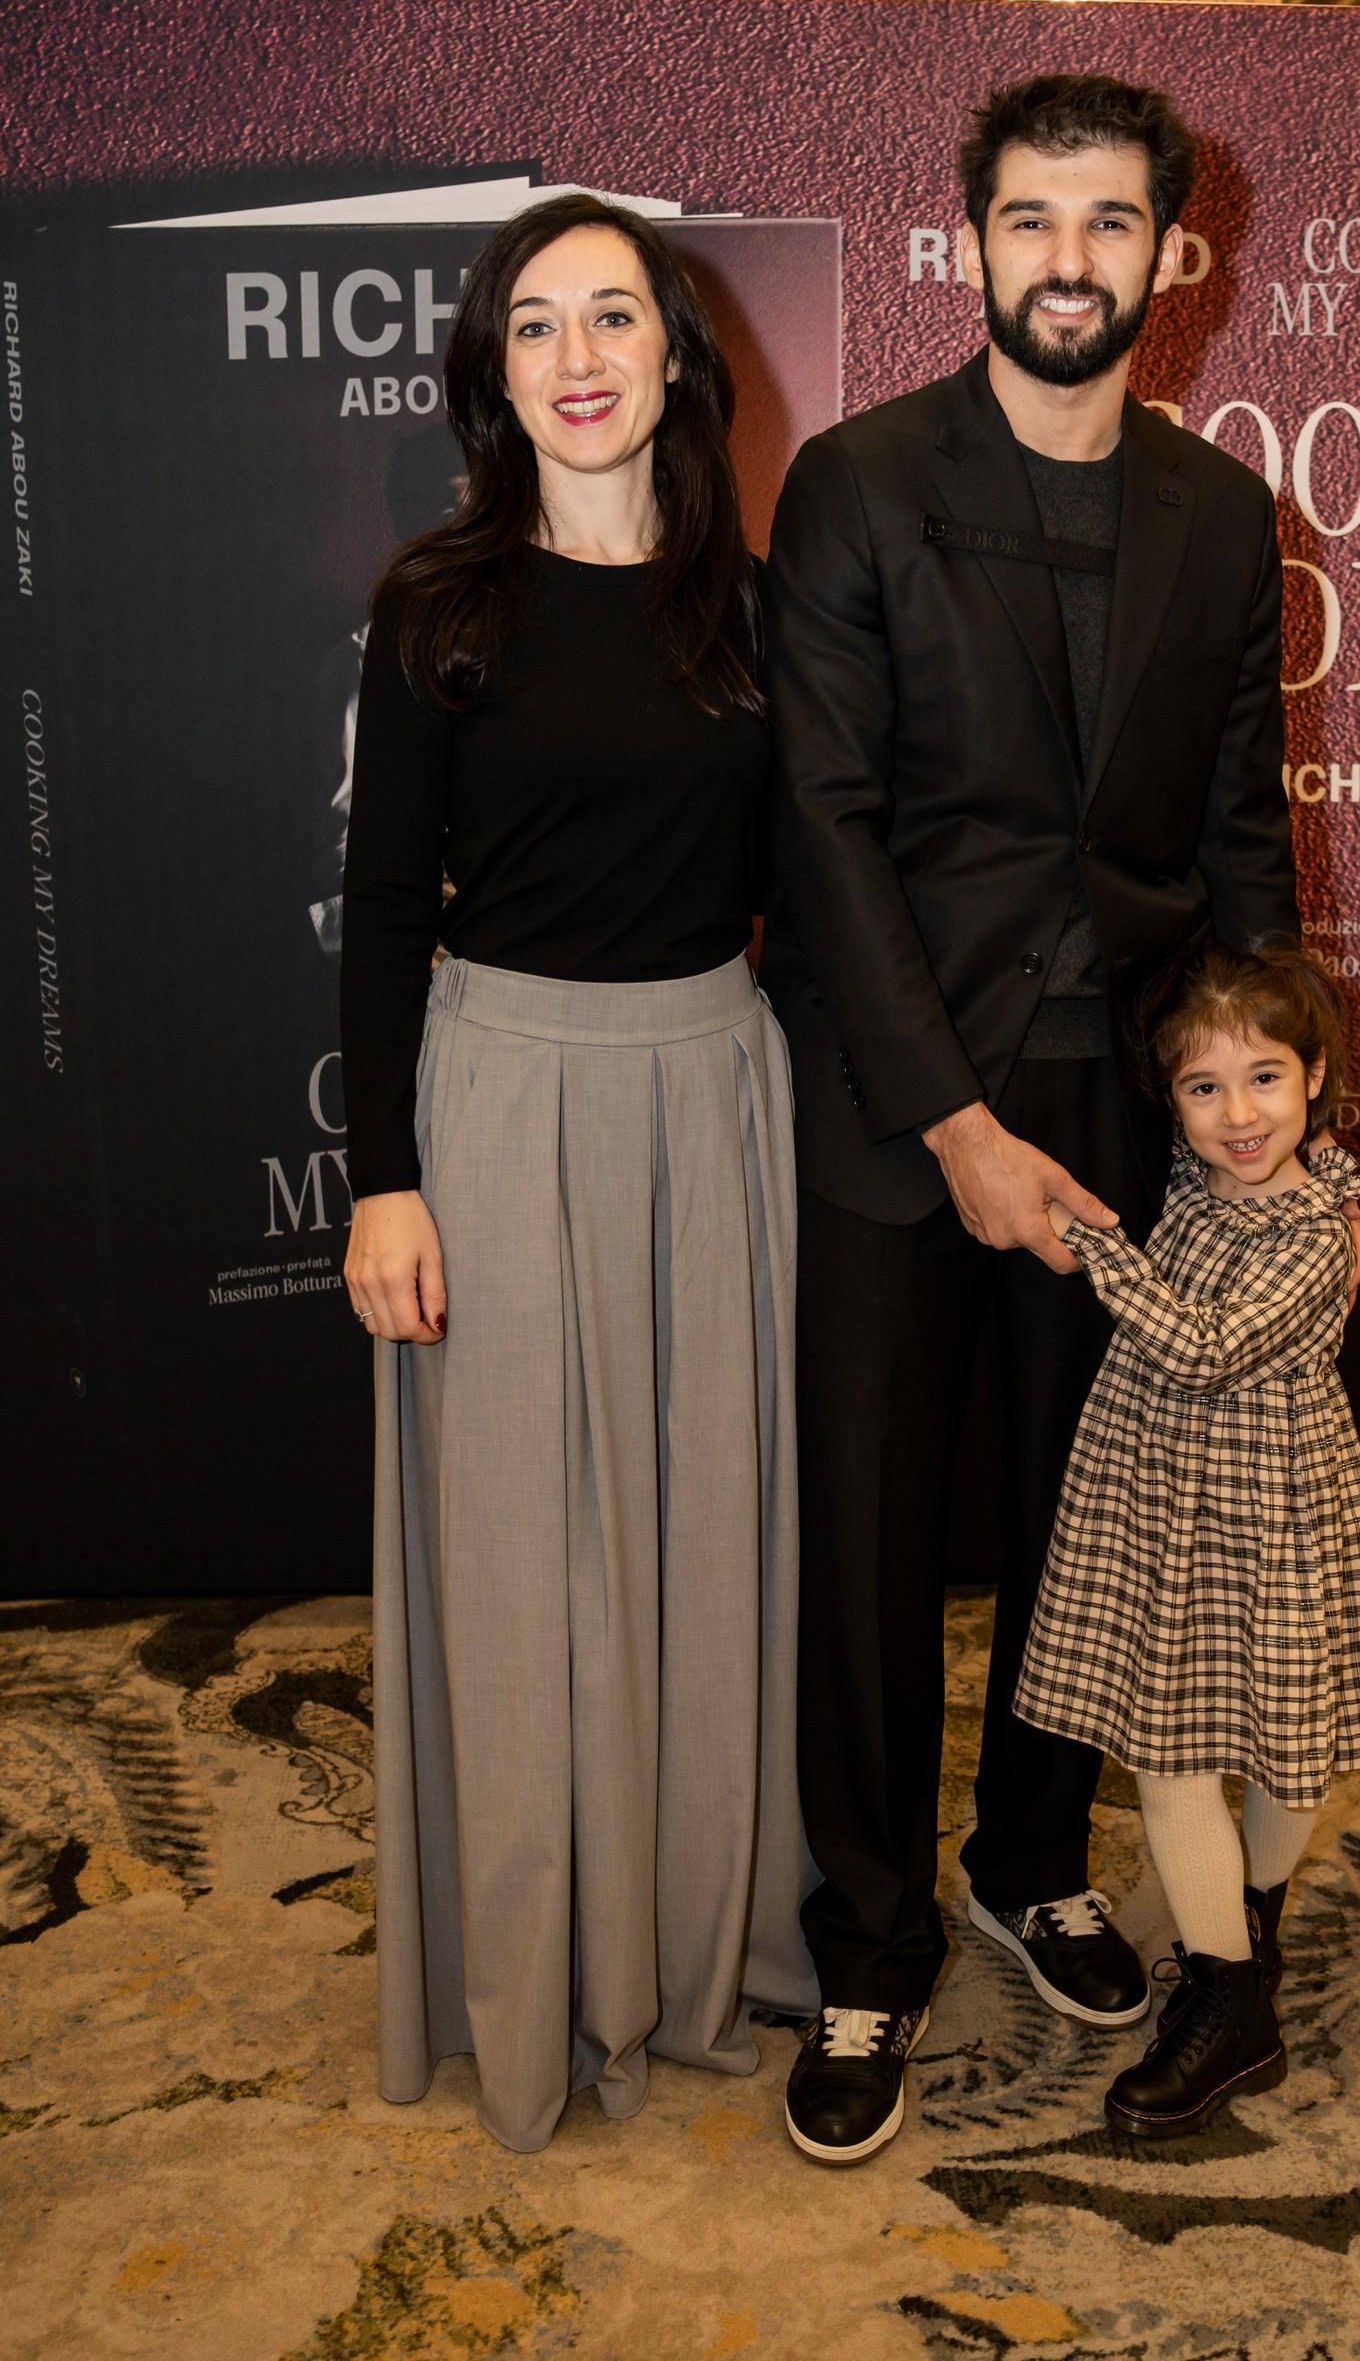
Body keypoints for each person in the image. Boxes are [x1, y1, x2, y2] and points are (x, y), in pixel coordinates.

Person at [763, 70, 1360, 2164]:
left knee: (1074, 1525)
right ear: (969, 243)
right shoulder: (855, 483)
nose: (1067, 259)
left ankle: (1028, 1860)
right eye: (1030, 219)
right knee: (867, 1536)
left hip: (1117, 1110)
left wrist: (1280, 1143)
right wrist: (950, 1123)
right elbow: (824, 827)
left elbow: (1239, 839)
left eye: (1109, 222)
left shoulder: (1218, 513)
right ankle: (865, 1937)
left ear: (1171, 255)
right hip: (893, 1100)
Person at [339, 190, 817, 2155]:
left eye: (613, 315)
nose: (579, 357)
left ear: (676, 354)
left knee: (709, 1544)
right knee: (521, 1569)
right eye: (533, 325)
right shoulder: (439, 606)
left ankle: (701, 1943)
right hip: (500, 1107)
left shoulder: (760, 613)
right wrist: (381, 1177)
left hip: (712, 1098)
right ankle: (534, 1972)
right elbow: (384, 907)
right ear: (492, 371)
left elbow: (813, 894)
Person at [1017, 939, 1360, 2138]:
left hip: (1269, 1517)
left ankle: (1236, 1991)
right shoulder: (1198, 1176)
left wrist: (1090, 1241)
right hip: (1164, 1510)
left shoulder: (1315, 1232)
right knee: (1177, 1748)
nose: (1239, 1115)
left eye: (1266, 1077)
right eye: (1204, 1087)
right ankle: (1241, 1957)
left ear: (1316, 1075)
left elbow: (1203, 1348)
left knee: (1269, 1744)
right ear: (1171, 1100)